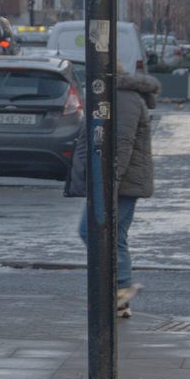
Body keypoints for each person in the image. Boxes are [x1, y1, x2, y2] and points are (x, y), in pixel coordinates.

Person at [66, 65, 160, 318]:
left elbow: (121, 145)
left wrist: (109, 186)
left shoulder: (122, 98)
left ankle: (121, 287)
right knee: (110, 234)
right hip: (115, 182)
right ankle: (119, 296)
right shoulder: (111, 96)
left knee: (100, 232)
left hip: (119, 183)